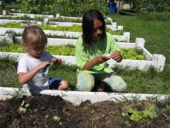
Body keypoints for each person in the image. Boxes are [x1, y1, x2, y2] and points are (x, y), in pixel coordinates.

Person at [75, 9, 127, 92]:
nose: (99, 32)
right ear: (87, 29)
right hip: (87, 71)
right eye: (94, 29)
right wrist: (96, 61)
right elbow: (83, 66)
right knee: (84, 87)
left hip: (104, 71)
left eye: (101, 27)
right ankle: (98, 84)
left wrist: (118, 56)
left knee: (121, 87)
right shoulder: (81, 41)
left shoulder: (108, 37)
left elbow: (119, 57)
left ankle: (98, 84)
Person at [17, 25, 69, 94]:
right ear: (25, 45)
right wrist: (39, 67)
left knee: (64, 84)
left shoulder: (45, 54)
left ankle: (56, 95)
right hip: (32, 88)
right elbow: (22, 80)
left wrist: (57, 62)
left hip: (46, 84)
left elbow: (58, 62)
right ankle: (50, 94)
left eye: (42, 47)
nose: (40, 50)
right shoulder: (24, 60)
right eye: (36, 48)